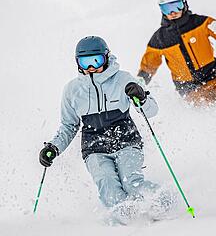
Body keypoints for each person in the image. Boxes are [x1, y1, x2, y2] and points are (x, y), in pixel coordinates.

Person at [40, 35, 171, 223]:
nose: (91, 68)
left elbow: (151, 111)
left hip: (126, 140)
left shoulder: (123, 79)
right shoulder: (72, 90)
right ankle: (130, 221)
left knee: (131, 182)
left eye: (96, 60)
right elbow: (69, 126)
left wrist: (141, 97)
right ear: (78, 63)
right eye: (85, 62)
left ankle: (163, 203)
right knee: (108, 186)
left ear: (106, 57)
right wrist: (53, 147)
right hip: (94, 148)